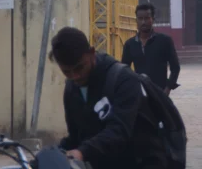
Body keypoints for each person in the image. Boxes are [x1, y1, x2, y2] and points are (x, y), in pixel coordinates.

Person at [50, 26, 168, 169]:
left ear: (92, 53)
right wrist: (53, 154)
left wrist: (82, 152)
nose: (75, 76)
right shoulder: (71, 89)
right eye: (67, 71)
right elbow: (76, 137)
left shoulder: (123, 79)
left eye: (79, 67)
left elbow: (119, 131)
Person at [122, 2, 180, 95]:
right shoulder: (130, 44)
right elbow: (124, 70)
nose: (143, 22)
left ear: (153, 19)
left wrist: (167, 89)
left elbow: (175, 67)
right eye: (140, 18)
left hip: (160, 93)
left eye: (147, 18)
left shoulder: (165, 41)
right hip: (139, 94)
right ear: (136, 20)